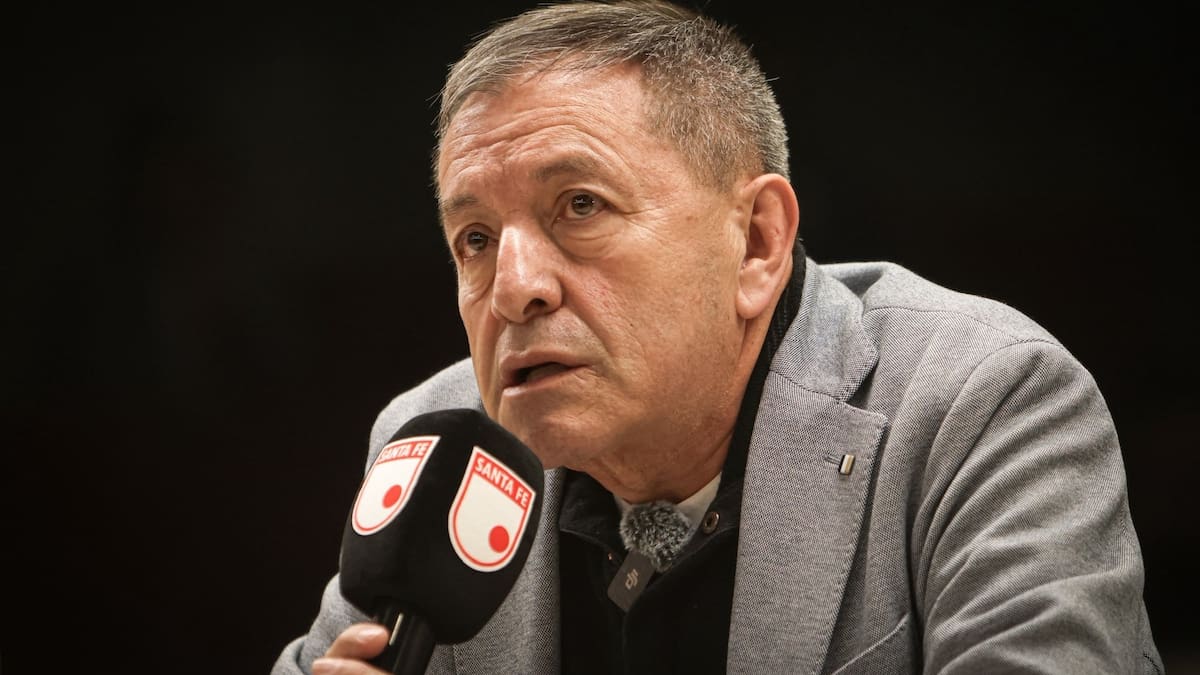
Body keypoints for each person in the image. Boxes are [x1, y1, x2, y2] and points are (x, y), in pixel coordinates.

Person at [273, 1, 1162, 673]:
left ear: (758, 243)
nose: (513, 288)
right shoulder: (435, 449)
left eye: (580, 205)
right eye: (474, 238)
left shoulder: (979, 400)